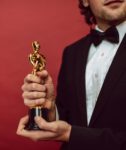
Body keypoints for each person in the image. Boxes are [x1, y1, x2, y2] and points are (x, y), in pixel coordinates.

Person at [17, 0, 126, 150]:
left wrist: (70, 134)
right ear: (85, 1)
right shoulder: (72, 52)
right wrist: (50, 109)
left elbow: (71, 131)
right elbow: (69, 117)